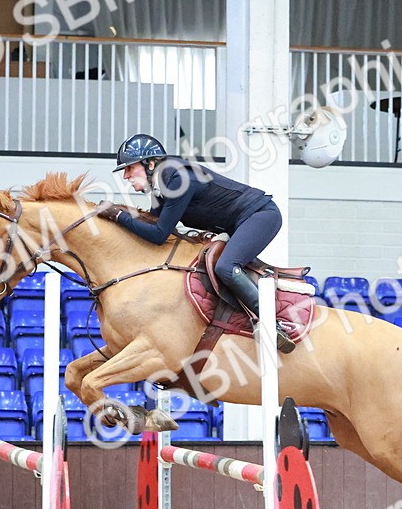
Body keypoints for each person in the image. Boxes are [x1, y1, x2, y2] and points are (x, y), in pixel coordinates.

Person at [98, 133, 294, 353]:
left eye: (129, 168)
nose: (125, 176)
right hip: (238, 223)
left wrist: (118, 215)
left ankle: (272, 324)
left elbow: (159, 234)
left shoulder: (177, 178)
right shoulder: (160, 185)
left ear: (150, 164)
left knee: (226, 267)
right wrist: (119, 217)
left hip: (260, 215)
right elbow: (152, 225)